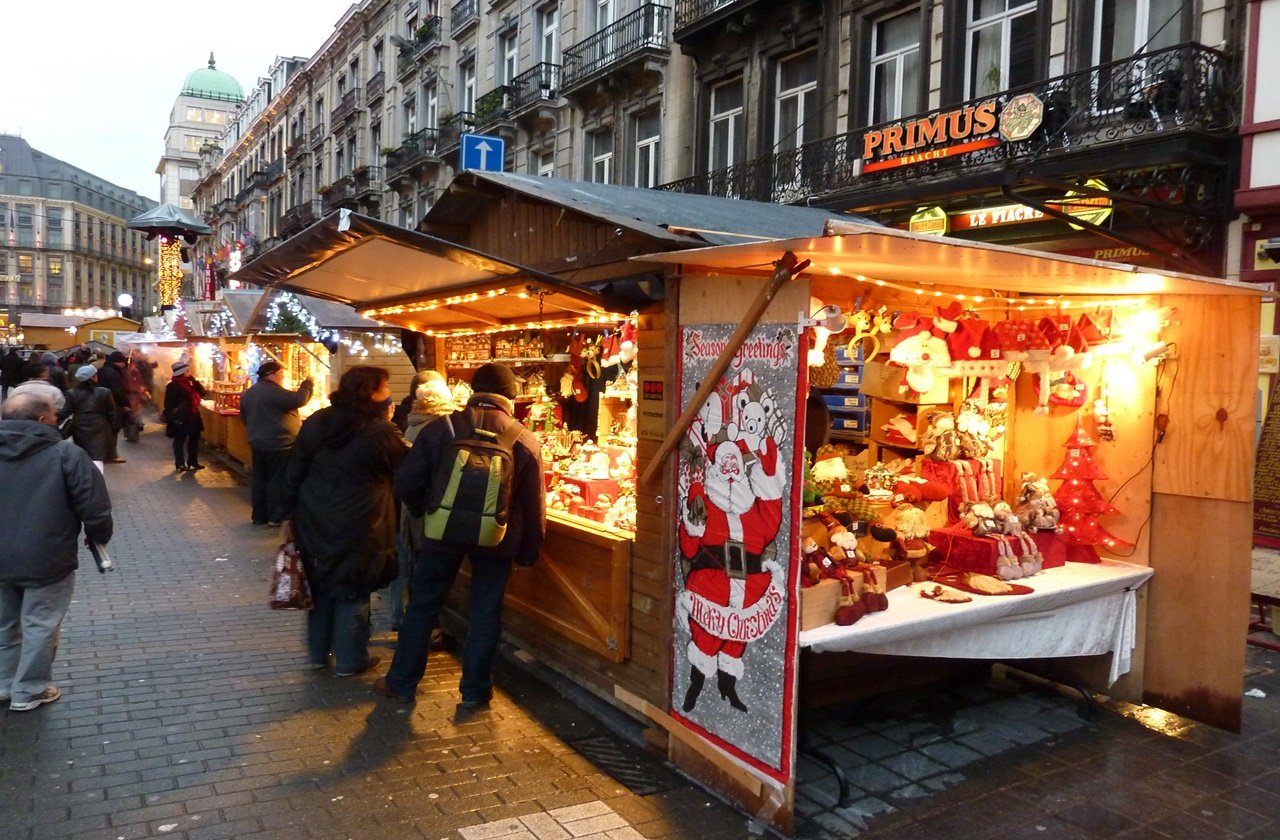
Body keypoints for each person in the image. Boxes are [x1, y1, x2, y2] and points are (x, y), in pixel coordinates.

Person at [374, 363, 545, 720]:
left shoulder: (441, 429)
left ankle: (401, 683)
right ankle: (475, 692)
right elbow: (534, 506)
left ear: (472, 391)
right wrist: (528, 553)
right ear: (510, 397)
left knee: (423, 605)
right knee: (486, 610)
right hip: (498, 539)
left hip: (441, 534)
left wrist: (431, 514)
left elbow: (405, 484)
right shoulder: (524, 439)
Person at [278, 366, 407, 676]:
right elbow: (406, 474)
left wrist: (286, 514)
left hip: (314, 516)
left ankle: (318, 655)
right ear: (370, 392)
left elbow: (294, 469)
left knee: (320, 583)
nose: (389, 393)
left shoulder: (319, 421)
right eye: (384, 387)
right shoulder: (380, 432)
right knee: (353, 586)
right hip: (362, 520)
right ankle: (350, 659)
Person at [0, 391, 113, 712]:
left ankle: (4, 682)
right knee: (40, 623)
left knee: (4, 621)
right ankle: (30, 690)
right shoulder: (66, 454)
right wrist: (98, 538)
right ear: (42, 420)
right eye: (54, 416)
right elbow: (95, 507)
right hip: (46, 557)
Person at [387, 370, 456, 632]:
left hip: (409, 513)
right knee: (428, 575)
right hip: (433, 512)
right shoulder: (443, 429)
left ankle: (402, 619)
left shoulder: (410, 424)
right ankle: (427, 629)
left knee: (408, 568)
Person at [239, 360, 314, 526]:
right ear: (271, 374)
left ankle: (259, 516)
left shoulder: (250, 393)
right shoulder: (273, 392)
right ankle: (275, 516)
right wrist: (307, 384)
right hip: (278, 444)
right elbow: (298, 399)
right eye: (281, 374)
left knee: (260, 479)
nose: (282, 377)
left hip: (258, 442)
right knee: (277, 480)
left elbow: (244, 417)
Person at [60, 365, 121, 472]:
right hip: (100, 426)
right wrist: (114, 429)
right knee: (97, 457)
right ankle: (97, 482)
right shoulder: (104, 392)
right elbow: (112, 413)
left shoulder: (72, 393)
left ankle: (85, 480)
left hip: (79, 427)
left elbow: (66, 412)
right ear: (93, 377)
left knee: (84, 455)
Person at [163, 360, 208, 472]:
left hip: (193, 415)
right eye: (188, 371)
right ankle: (180, 463)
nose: (189, 372)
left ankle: (193, 461)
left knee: (194, 439)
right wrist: (172, 419)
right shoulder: (172, 386)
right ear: (183, 372)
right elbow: (168, 404)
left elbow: (202, 393)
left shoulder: (190, 384)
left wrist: (194, 381)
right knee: (180, 440)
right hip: (182, 417)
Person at [95, 351, 129, 462]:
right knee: (113, 429)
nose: (124, 365)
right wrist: (126, 403)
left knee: (106, 429)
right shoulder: (113, 373)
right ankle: (111, 455)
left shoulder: (101, 371)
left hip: (101, 403)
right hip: (114, 404)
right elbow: (117, 390)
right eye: (123, 362)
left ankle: (105, 453)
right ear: (118, 362)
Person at [120, 353, 150, 441]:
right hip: (130, 398)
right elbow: (127, 385)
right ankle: (131, 435)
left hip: (134, 398)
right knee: (131, 417)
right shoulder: (125, 373)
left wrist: (143, 390)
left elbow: (141, 383)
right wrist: (139, 389)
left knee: (133, 416)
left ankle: (133, 435)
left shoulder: (134, 372)